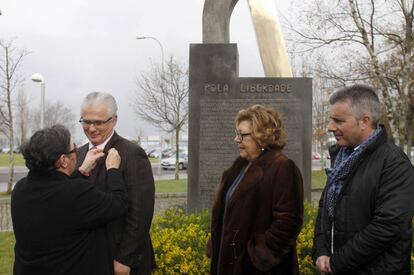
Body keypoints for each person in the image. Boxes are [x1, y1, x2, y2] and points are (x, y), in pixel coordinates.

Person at [312, 84, 414, 274]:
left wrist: (337, 263)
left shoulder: (394, 163)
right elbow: (325, 209)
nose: (330, 127)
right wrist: (321, 252)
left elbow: (388, 226)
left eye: (338, 121)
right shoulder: (341, 158)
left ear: (364, 121)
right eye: (331, 120)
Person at [11, 125, 127, 275]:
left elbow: (56, 195)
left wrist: (81, 170)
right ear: (63, 160)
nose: (77, 152)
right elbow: (119, 204)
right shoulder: (77, 192)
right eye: (74, 149)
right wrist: (113, 169)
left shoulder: (20, 189)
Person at [207, 104, 304, 274]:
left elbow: (288, 222)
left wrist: (257, 256)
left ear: (262, 137)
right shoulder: (240, 167)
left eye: (242, 135)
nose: (236, 140)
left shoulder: (282, 167)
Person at [76, 92, 155, 275]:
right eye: (86, 121)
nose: (92, 128)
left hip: (120, 261)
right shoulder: (79, 155)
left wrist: (124, 259)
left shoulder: (132, 154)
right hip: (86, 258)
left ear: (114, 121)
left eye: (99, 122)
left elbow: (140, 212)